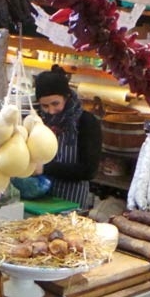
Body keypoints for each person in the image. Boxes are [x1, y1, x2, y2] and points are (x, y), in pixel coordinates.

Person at [32, 65, 101, 209]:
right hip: (40, 196)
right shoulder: (38, 120)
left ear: (67, 97)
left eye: (55, 103)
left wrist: (45, 168)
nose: (50, 111)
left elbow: (89, 170)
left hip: (71, 200)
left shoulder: (86, 122)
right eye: (45, 106)